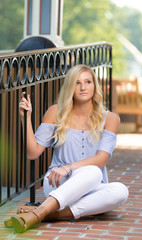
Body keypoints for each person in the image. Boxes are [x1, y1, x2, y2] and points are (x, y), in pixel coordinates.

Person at [4, 64, 129, 233]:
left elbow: (101, 159)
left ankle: (44, 213)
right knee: (93, 171)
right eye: (77, 83)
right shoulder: (56, 112)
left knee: (120, 191)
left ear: (95, 85)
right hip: (57, 182)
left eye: (88, 82)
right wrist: (25, 118)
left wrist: (68, 167)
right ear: (70, 87)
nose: (83, 87)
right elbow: (33, 153)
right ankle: (47, 211)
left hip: (91, 185)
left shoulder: (110, 118)